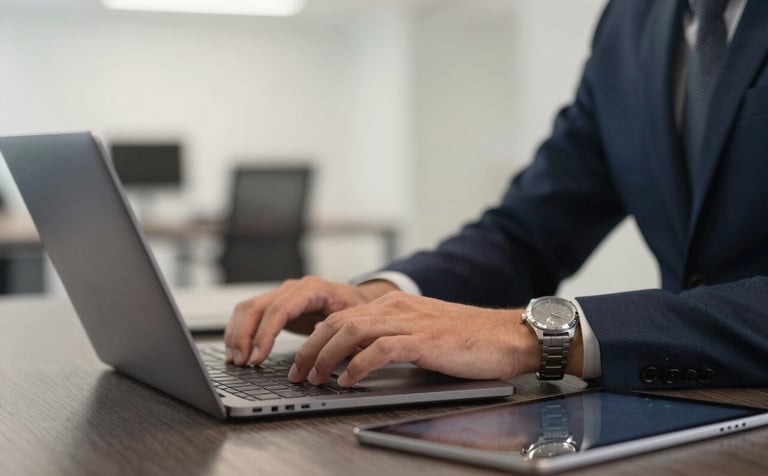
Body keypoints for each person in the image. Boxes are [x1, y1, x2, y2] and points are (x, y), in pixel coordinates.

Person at [225, 0, 768, 390]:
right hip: (694, 413)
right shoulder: (630, 22)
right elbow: (525, 234)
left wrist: (534, 335)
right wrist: (376, 296)